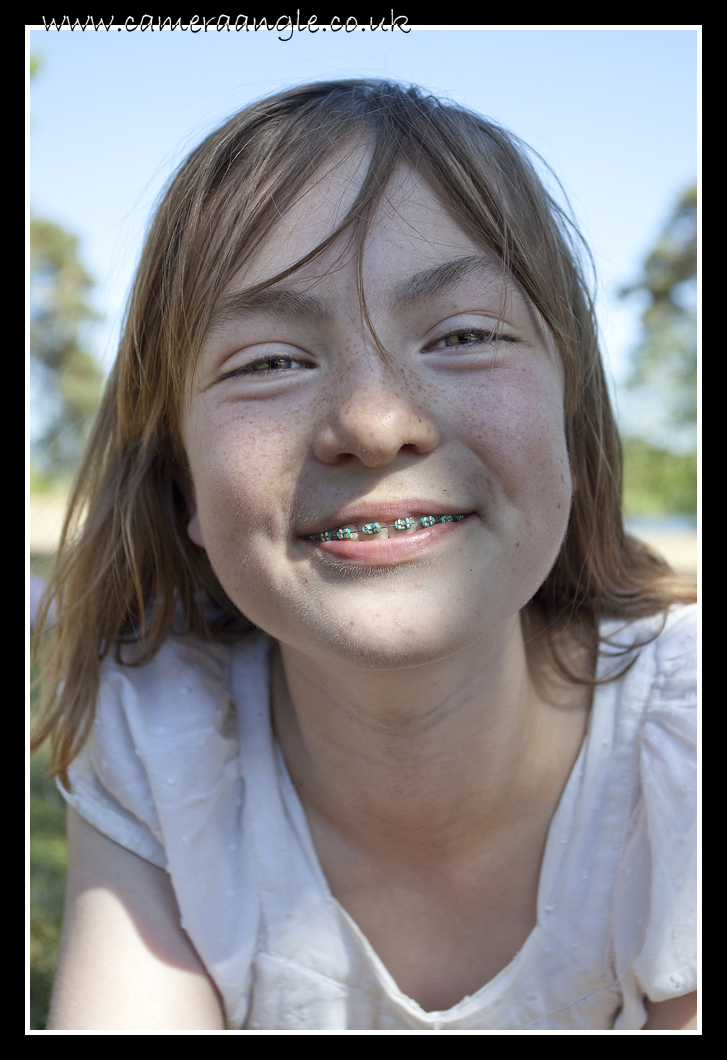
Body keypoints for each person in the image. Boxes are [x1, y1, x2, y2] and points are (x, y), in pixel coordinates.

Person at [32, 80, 697, 1031]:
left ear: (572, 431)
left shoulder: (684, 746)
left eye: (465, 335)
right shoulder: (164, 739)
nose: (375, 425)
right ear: (182, 482)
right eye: (269, 360)